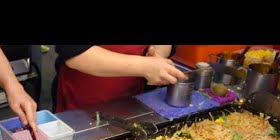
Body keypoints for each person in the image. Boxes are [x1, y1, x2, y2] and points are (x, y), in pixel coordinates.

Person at [53, 45, 187, 112]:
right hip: (83, 100)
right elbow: (75, 54)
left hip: (133, 98)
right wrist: (144, 66)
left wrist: (157, 54)